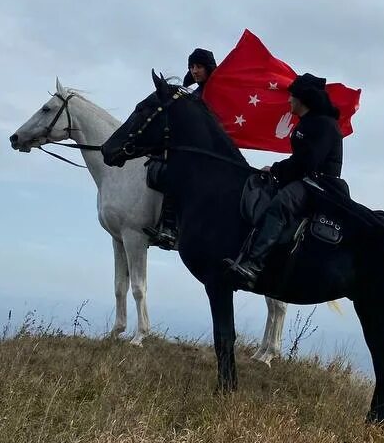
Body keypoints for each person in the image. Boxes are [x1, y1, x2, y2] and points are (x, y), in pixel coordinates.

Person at [225, 73, 343, 287]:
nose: (288, 100)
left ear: (302, 99)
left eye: (292, 96)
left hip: (320, 185)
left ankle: (254, 264)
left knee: (280, 205)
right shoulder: (309, 123)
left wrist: (277, 169)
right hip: (307, 180)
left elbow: (308, 162)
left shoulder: (324, 125)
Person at [145, 48, 216, 250]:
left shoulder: (215, 91)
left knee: (174, 174)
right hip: (193, 147)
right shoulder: (195, 92)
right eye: (192, 67)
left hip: (208, 152)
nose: (195, 71)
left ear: (208, 68)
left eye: (199, 66)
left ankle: (170, 228)